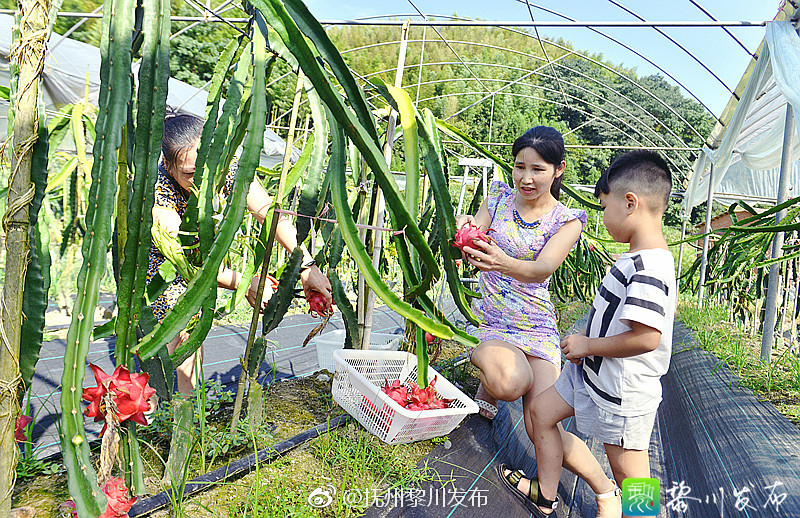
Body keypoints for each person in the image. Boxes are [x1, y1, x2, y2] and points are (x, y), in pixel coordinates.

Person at [498, 150, 676, 518]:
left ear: (630, 203)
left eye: (604, 207)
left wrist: (587, 344)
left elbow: (647, 338)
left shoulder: (650, 266)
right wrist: (586, 347)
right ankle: (547, 496)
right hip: (589, 372)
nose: (604, 218)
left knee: (631, 475)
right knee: (542, 413)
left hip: (622, 391)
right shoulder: (633, 257)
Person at [145, 113, 333, 395]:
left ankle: (187, 408)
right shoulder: (158, 191)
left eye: (208, 167)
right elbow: (185, 259)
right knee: (177, 320)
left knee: (192, 327)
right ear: (168, 167)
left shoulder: (229, 167)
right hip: (162, 265)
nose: (201, 180)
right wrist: (243, 282)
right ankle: (155, 410)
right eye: (189, 173)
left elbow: (270, 215)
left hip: (202, 259)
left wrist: (305, 265)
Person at [456, 125, 585, 431]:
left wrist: (500, 262)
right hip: (492, 320)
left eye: (538, 169)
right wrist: (465, 229)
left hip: (537, 326)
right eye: (519, 167)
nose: (526, 178)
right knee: (512, 383)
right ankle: (493, 381)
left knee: (543, 420)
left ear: (558, 170)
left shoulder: (566, 221)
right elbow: (476, 232)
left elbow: (542, 269)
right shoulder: (499, 198)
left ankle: (602, 482)